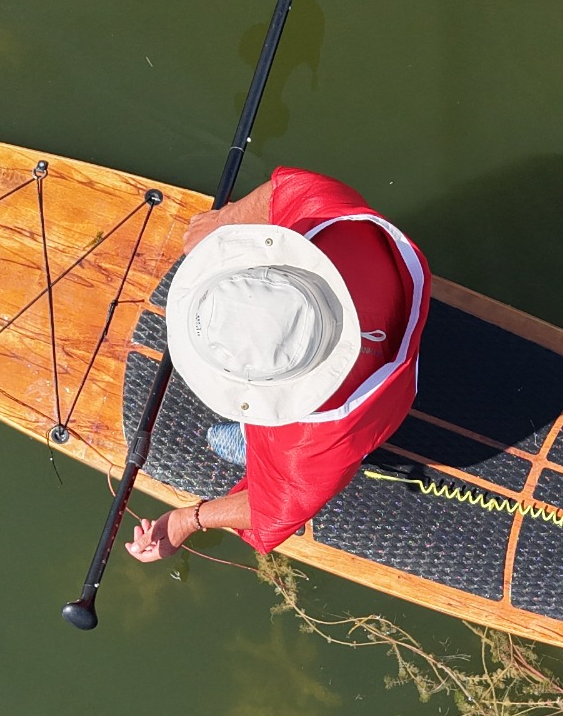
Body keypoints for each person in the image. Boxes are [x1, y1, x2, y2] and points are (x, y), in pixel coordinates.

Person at [124, 167, 426, 563]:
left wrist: (186, 521)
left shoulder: (307, 448)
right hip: (394, 311)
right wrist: (221, 222)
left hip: (352, 430)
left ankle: (249, 438)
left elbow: (269, 509)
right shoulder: (337, 228)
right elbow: (295, 187)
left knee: (238, 444)